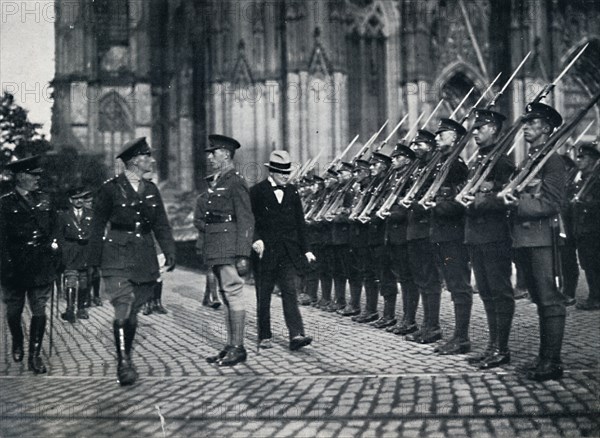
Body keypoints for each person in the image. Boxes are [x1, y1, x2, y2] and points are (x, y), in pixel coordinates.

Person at [87, 137, 176, 385]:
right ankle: (123, 362)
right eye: (147, 156)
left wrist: (169, 250)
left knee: (134, 311)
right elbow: (96, 226)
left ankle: (125, 353)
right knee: (123, 305)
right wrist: (93, 261)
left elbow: (161, 224)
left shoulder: (151, 190)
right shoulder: (110, 189)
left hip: (143, 255)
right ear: (136, 160)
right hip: (116, 253)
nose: (151, 160)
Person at [501, 102, 567, 381]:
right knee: (539, 299)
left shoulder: (552, 160)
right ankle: (543, 358)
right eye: (526, 122)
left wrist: (517, 203)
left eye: (533, 122)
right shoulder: (530, 160)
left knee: (550, 300)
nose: (526, 127)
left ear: (547, 129)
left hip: (542, 238)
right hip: (524, 239)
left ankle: (552, 362)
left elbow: (552, 202)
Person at [462, 109, 516, 367]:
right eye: (475, 128)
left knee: (499, 292)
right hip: (475, 236)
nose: (475, 132)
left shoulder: (503, 163)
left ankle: (502, 349)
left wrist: (478, 204)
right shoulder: (477, 162)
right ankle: (492, 346)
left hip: (494, 236)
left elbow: (508, 199)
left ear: (493, 129)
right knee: (485, 293)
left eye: (480, 128)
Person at [0, 155, 61, 374]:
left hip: (40, 263)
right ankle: (17, 339)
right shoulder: (4, 202)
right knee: (14, 311)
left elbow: (56, 228)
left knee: (39, 309)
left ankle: (34, 355)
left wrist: (55, 249)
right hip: (14, 265)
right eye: (33, 176)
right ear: (20, 177)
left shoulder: (46, 200)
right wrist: (5, 264)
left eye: (38, 175)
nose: (38, 179)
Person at [251, 150, 315, 351]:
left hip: (288, 252)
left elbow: (300, 223)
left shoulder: (292, 191)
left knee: (290, 292)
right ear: (272, 172)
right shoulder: (257, 191)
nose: (286, 176)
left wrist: (307, 249)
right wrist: (256, 239)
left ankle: (296, 334)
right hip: (265, 253)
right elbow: (249, 221)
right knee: (264, 295)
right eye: (282, 173)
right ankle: (264, 335)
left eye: (288, 172)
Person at [199, 134, 254, 366]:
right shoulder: (221, 180)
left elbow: (246, 219)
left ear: (227, 154)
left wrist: (243, 253)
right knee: (225, 294)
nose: (210, 157)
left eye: (214, 153)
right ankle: (231, 344)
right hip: (218, 245)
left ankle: (239, 347)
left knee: (232, 292)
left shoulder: (235, 181)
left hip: (229, 245)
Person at [57, 186, 94, 322]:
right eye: (75, 199)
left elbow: (95, 234)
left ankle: (81, 308)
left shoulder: (91, 214)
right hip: (70, 252)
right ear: (70, 200)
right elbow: (59, 235)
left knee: (84, 282)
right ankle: (70, 309)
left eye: (81, 198)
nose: (79, 201)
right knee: (71, 280)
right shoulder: (64, 215)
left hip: (85, 252)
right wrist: (62, 251)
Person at [572, 143, 600, 310]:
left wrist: (586, 204)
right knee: (587, 264)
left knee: (595, 264)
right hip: (582, 229)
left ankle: (595, 298)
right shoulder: (581, 179)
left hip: (595, 229)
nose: (579, 160)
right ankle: (594, 295)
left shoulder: (596, 180)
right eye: (578, 156)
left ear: (593, 160)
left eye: (583, 157)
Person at [83, 192, 102, 306]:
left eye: (90, 202)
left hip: (96, 246)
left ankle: (96, 296)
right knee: (88, 273)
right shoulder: (81, 215)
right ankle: (87, 297)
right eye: (87, 202)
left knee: (97, 273)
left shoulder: (96, 214)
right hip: (86, 247)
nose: (89, 204)